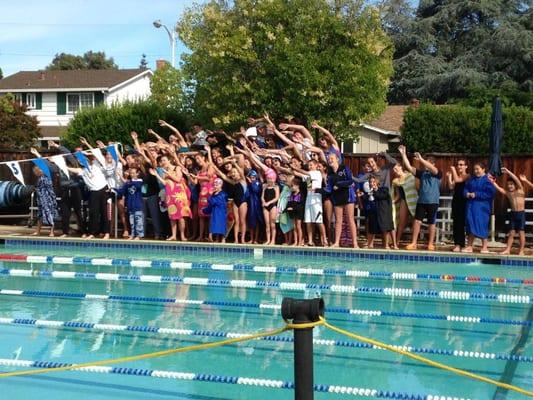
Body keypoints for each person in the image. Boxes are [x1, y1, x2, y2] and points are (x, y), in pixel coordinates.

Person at [398, 145, 441, 251]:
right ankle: (414, 243)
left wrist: (421, 159)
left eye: (429, 163)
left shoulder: (437, 173)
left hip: (433, 202)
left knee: (432, 223)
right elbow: (409, 167)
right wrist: (403, 154)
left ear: (433, 164)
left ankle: (430, 244)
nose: (426, 165)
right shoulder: (422, 174)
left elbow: (432, 169)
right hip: (421, 201)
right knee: (417, 222)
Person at [490, 168, 526, 255]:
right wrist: (492, 182)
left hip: (521, 214)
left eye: (511, 184)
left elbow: (517, 179)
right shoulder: (508, 193)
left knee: (521, 233)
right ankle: (507, 249)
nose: (509, 186)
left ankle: (521, 250)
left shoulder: (520, 190)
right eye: (508, 184)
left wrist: (508, 172)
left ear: (515, 185)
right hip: (513, 214)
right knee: (511, 233)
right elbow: (499, 188)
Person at [325, 153, 358, 248]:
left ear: (337, 159)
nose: (330, 160)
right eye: (328, 159)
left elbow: (350, 181)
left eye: (331, 158)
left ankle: (355, 243)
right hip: (337, 197)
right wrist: (318, 190)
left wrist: (339, 184)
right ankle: (336, 243)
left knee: (350, 219)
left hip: (347, 196)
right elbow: (329, 188)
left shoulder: (344, 168)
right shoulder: (330, 173)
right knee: (338, 221)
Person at [150, 168, 191, 242]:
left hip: (179, 196)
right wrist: (156, 175)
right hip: (170, 197)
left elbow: (178, 180)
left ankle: (182, 235)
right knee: (172, 217)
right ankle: (174, 235)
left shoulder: (176, 170)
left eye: (164, 160)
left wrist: (169, 174)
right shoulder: (166, 174)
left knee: (181, 217)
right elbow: (164, 183)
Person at [462, 162, 496, 253]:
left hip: (482, 207)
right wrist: (467, 194)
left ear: (483, 169)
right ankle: (469, 246)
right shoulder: (472, 180)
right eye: (475, 169)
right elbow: (465, 189)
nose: (476, 171)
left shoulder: (487, 180)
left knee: (482, 225)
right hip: (471, 206)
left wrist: (476, 194)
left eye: (478, 169)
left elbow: (490, 193)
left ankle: (485, 247)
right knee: (471, 225)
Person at [29, 150, 58, 237]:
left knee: (50, 214)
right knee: (40, 214)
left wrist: (36, 153)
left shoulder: (47, 174)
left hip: (48, 198)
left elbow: (42, 162)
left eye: (37, 171)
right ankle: (38, 231)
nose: (36, 173)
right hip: (41, 198)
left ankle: (51, 232)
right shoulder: (40, 178)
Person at [362, 175, 397, 249]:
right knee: (372, 228)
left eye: (374, 182)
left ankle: (387, 245)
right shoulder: (370, 192)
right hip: (375, 212)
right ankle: (370, 244)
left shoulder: (384, 189)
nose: (372, 183)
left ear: (377, 182)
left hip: (384, 213)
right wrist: (363, 195)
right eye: (370, 182)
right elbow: (366, 199)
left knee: (385, 228)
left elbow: (380, 196)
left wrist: (374, 191)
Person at [115, 167, 144, 240]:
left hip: (138, 206)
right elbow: (122, 191)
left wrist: (127, 181)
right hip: (130, 206)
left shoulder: (139, 181)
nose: (132, 174)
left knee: (138, 221)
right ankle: (133, 234)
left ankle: (139, 235)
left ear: (137, 173)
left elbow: (137, 186)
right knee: (132, 222)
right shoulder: (128, 183)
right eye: (131, 173)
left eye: (134, 173)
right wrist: (112, 189)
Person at [391, 163, 418, 244]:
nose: (395, 171)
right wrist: (392, 202)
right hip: (404, 201)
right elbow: (398, 195)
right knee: (401, 222)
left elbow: (416, 187)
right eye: (393, 170)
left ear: (400, 167)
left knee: (415, 221)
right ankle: (397, 241)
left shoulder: (410, 176)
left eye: (396, 169)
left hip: (413, 200)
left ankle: (413, 242)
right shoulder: (395, 181)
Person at [446, 159, 469, 252]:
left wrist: (453, 170)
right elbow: (451, 186)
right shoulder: (458, 176)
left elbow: (458, 180)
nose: (459, 166)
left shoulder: (467, 176)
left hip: (464, 202)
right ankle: (457, 244)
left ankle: (461, 244)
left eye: (461, 165)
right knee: (456, 223)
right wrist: (449, 177)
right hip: (456, 201)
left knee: (461, 224)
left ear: (466, 166)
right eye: (458, 165)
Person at [202, 178, 227, 242]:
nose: (215, 186)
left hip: (221, 212)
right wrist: (204, 210)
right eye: (214, 185)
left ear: (221, 185)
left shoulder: (223, 194)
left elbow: (215, 202)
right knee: (213, 224)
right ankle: (216, 238)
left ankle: (223, 238)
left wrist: (209, 198)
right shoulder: (213, 194)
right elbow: (210, 205)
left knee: (221, 225)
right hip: (215, 212)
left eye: (217, 185)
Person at [261, 170, 280, 245]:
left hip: (272, 206)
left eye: (271, 178)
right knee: (267, 224)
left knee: (272, 224)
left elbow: (277, 197)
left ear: (274, 179)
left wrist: (268, 203)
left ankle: (273, 240)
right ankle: (268, 240)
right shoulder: (265, 186)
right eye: (268, 178)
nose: (270, 180)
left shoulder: (276, 187)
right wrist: (263, 202)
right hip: (265, 206)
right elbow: (262, 196)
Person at [285, 177, 305, 246]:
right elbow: (289, 203)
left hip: (298, 212)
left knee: (298, 226)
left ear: (297, 186)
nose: (292, 187)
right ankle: (296, 241)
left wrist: (293, 208)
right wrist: (287, 208)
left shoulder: (301, 194)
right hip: (293, 213)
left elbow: (301, 205)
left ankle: (300, 242)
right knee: (294, 227)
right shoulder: (292, 194)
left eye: (293, 186)